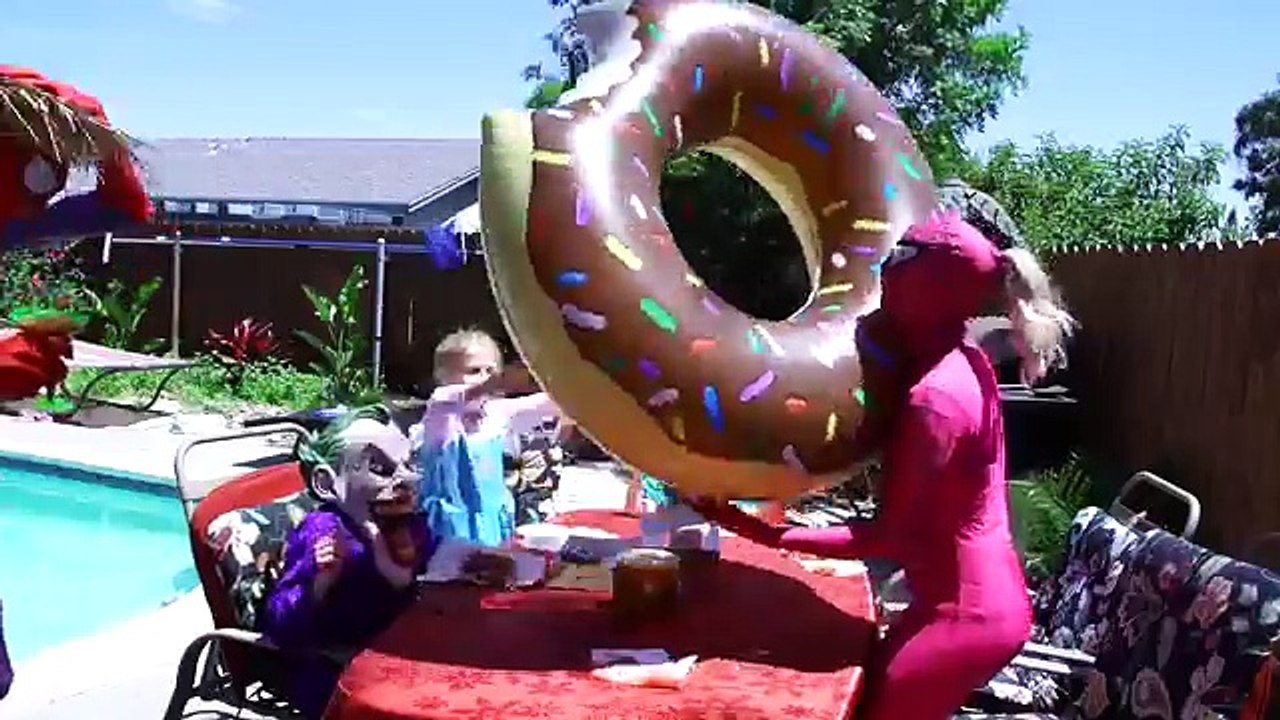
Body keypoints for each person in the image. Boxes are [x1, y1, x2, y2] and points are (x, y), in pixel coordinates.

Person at [691, 209, 1075, 720]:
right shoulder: (966, 358)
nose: (884, 270)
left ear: (927, 282)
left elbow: (886, 537)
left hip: (964, 615)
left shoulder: (933, 399)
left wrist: (753, 528)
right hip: (972, 601)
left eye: (900, 257)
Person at [258, 406, 435, 719]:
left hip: (399, 651)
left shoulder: (401, 525)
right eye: (381, 468)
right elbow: (279, 623)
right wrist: (321, 582)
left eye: (407, 464)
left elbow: (426, 569)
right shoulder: (324, 531)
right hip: (337, 673)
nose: (405, 479)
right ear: (328, 484)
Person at [410, 329, 565, 546]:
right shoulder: (441, 411)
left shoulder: (497, 412)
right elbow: (461, 395)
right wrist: (496, 380)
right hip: (449, 524)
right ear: (443, 377)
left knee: (492, 571)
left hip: (492, 520)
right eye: (473, 371)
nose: (483, 377)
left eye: (490, 370)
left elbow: (553, 402)